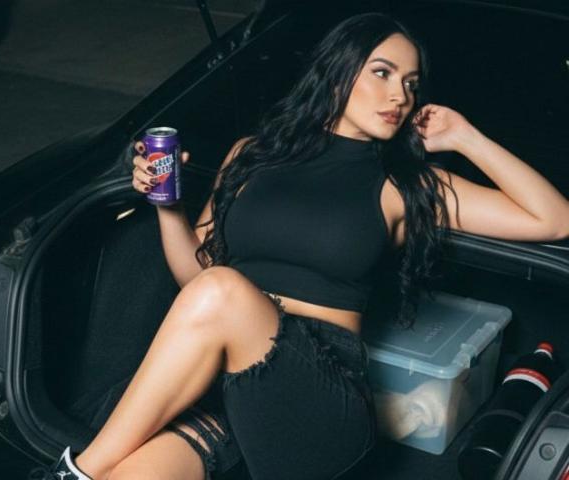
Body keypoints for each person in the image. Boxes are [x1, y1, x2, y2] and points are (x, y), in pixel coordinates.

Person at [30, 11, 569, 480]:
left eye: (411, 83)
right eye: (382, 73)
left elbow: (555, 220)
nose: (399, 96)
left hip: (319, 397)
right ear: (338, 71)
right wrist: (167, 208)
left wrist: (463, 136)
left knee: (221, 290)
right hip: (223, 387)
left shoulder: (405, 186)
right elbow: (196, 282)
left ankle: (75, 471)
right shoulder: (251, 155)